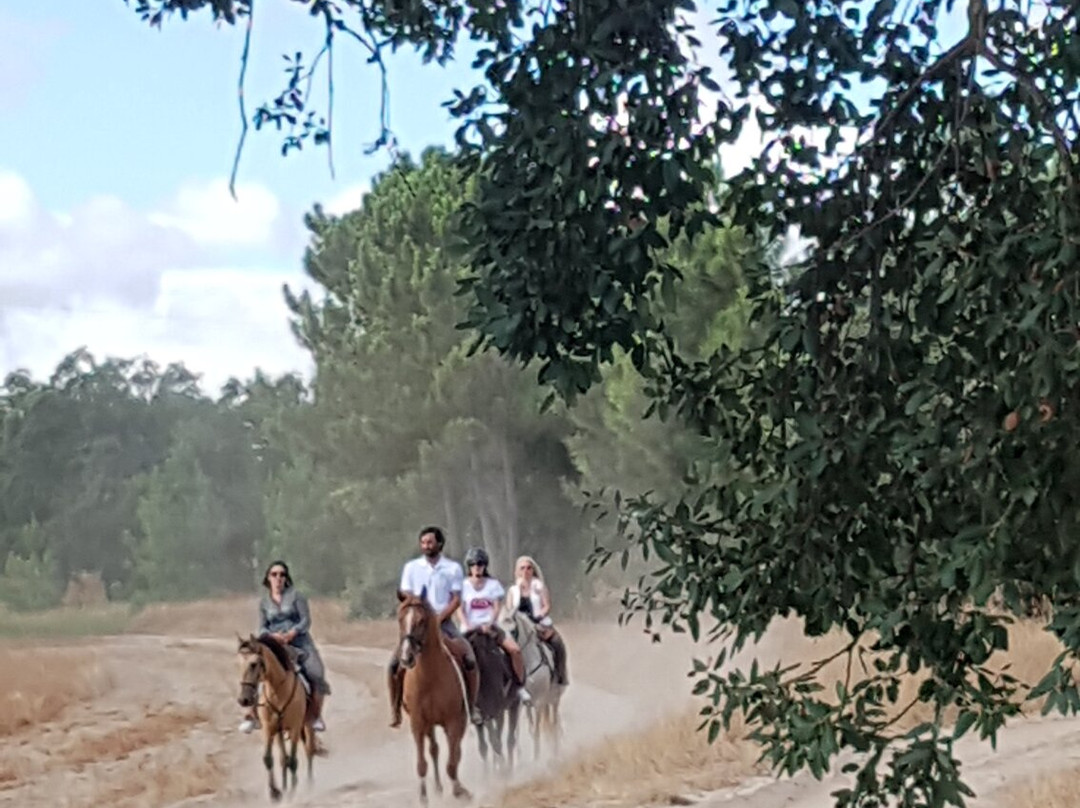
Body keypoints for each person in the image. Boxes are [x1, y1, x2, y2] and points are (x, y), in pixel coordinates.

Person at [389, 526, 483, 727]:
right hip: (417, 625)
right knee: (394, 664)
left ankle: (471, 706)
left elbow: (456, 599)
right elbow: (406, 596)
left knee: (469, 657)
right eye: (423, 543)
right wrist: (418, 617)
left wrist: (438, 620)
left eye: (430, 542)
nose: (426, 546)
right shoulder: (411, 568)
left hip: (444, 622)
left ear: (439, 544)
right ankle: (395, 710)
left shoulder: (452, 568)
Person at [239, 560, 331, 734]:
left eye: (282, 575)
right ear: (268, 578)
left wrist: (292, 633)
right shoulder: (264, 602)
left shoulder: (297, 596)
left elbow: (305, 620)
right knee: (255, 668)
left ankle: (315, 716)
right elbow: (262, 627)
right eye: (274, 574)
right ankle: (252, 714)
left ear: (286, 578)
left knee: (316, 673)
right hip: (273, 644)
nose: (278, 578)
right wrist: (272, 636)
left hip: (299, 642)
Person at [458, 546, 531, 704]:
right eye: (473, 564)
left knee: (515, 650)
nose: (477, 567)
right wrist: (467, 625)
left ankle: (519, 686)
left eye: (480, 564)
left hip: (490, 627)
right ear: (469, 567)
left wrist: (489, 624)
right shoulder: (462, 586)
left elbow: (497, 607)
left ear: (485, 566)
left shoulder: (493, 584)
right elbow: (460, 610)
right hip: (469, 629)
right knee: (452, 653)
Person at [505, 555, 569, 686]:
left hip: (538, 623)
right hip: (519, 625)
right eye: (522, 568)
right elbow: (509, 609)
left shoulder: (540, 587)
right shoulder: (512, 591)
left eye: (529, 568)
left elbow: (547, 605)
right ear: (517, 571)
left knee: (557, 642)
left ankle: (560, 674)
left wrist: (540, 615)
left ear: (533, 570)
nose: (525, 571)